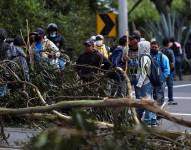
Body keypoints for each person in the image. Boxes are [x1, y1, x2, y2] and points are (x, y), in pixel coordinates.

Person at [136, 40, 157, 126]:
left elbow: (143, 72)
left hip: (145, 82)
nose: (138, 49)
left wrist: (139, 83)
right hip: (148, 82)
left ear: (143, 48)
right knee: (150, 100)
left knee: (146, 101)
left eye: (139, 47)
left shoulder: (144, 57)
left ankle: (148, 119)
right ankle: (152, 119)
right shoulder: (148, 56)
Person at [150, 41, 170, 106]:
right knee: (151, 98)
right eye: (152, 47)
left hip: (160, 81)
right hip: (150, 81)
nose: (154, 48)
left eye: (155, 47)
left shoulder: (163, 57)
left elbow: (166, 70)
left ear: (159, 48)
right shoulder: (148, 56)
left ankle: (158, 113)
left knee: (159, 97)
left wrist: (162, 79)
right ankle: (153, 114)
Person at [162, 38, 178, 105]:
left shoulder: (161, 50)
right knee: (170, 85)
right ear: (168, 43)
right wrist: (172, 70)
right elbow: (172, 62)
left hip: (162, 70)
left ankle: (161, 98)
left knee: (161, 85)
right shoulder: (170, 51)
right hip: (169, 70)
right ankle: (170, 99)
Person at [128, 32, 140, 98]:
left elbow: (141, 63)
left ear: (137, 40)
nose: (130, 40)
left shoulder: (142, 49)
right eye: (130, 39)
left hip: (139, 75)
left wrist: (129, 60)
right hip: (129, 74)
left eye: (132, 39)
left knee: (139, 95)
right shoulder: (127, 49)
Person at [0, 28, 11, 96]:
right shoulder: (6, 46)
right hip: (4, 69)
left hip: (3, 69)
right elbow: (8, 59)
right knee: (3, 88)